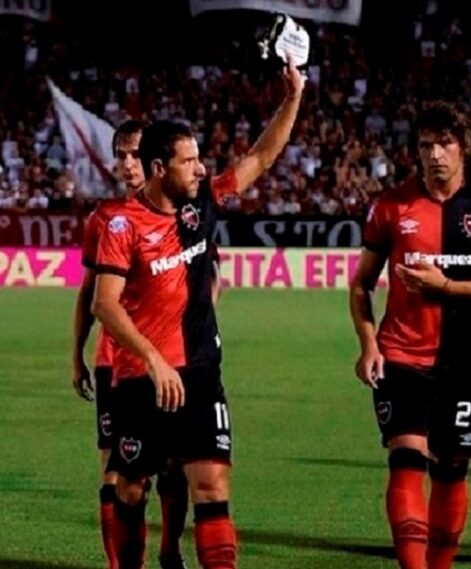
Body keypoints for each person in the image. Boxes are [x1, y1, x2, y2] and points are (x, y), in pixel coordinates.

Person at [91, 60, 304, 569]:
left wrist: (293, 98)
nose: (201, 169)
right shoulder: (123, 226)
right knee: (130, 488)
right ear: (159, 169)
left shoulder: (201, 203)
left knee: (211, 485)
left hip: (201, 373)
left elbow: (261, 157)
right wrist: (152, 358)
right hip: (141, 379)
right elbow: (104, 303)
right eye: (188, 161)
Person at [349, 101, 471, 569]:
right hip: (401, 355)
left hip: (464, 361)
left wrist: (446, 287)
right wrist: (368, 344)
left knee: (451, 471)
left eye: (444, 144)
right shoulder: (391, 205)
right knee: (406, 460)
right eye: (426, 145)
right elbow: (361, 284)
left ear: (463, 147)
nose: (434, 155)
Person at [74, 120, 188, 569]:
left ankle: (171, 550)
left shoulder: (182, 211)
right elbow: (90, 294)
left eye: (135, 154)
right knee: (118, 473)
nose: (127, 163)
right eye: (120, 154)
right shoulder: (104, 219)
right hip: (116, 363)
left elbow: (209, 277)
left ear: (154, 159)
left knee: (176, 465)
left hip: (175, 359)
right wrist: (76, 355)